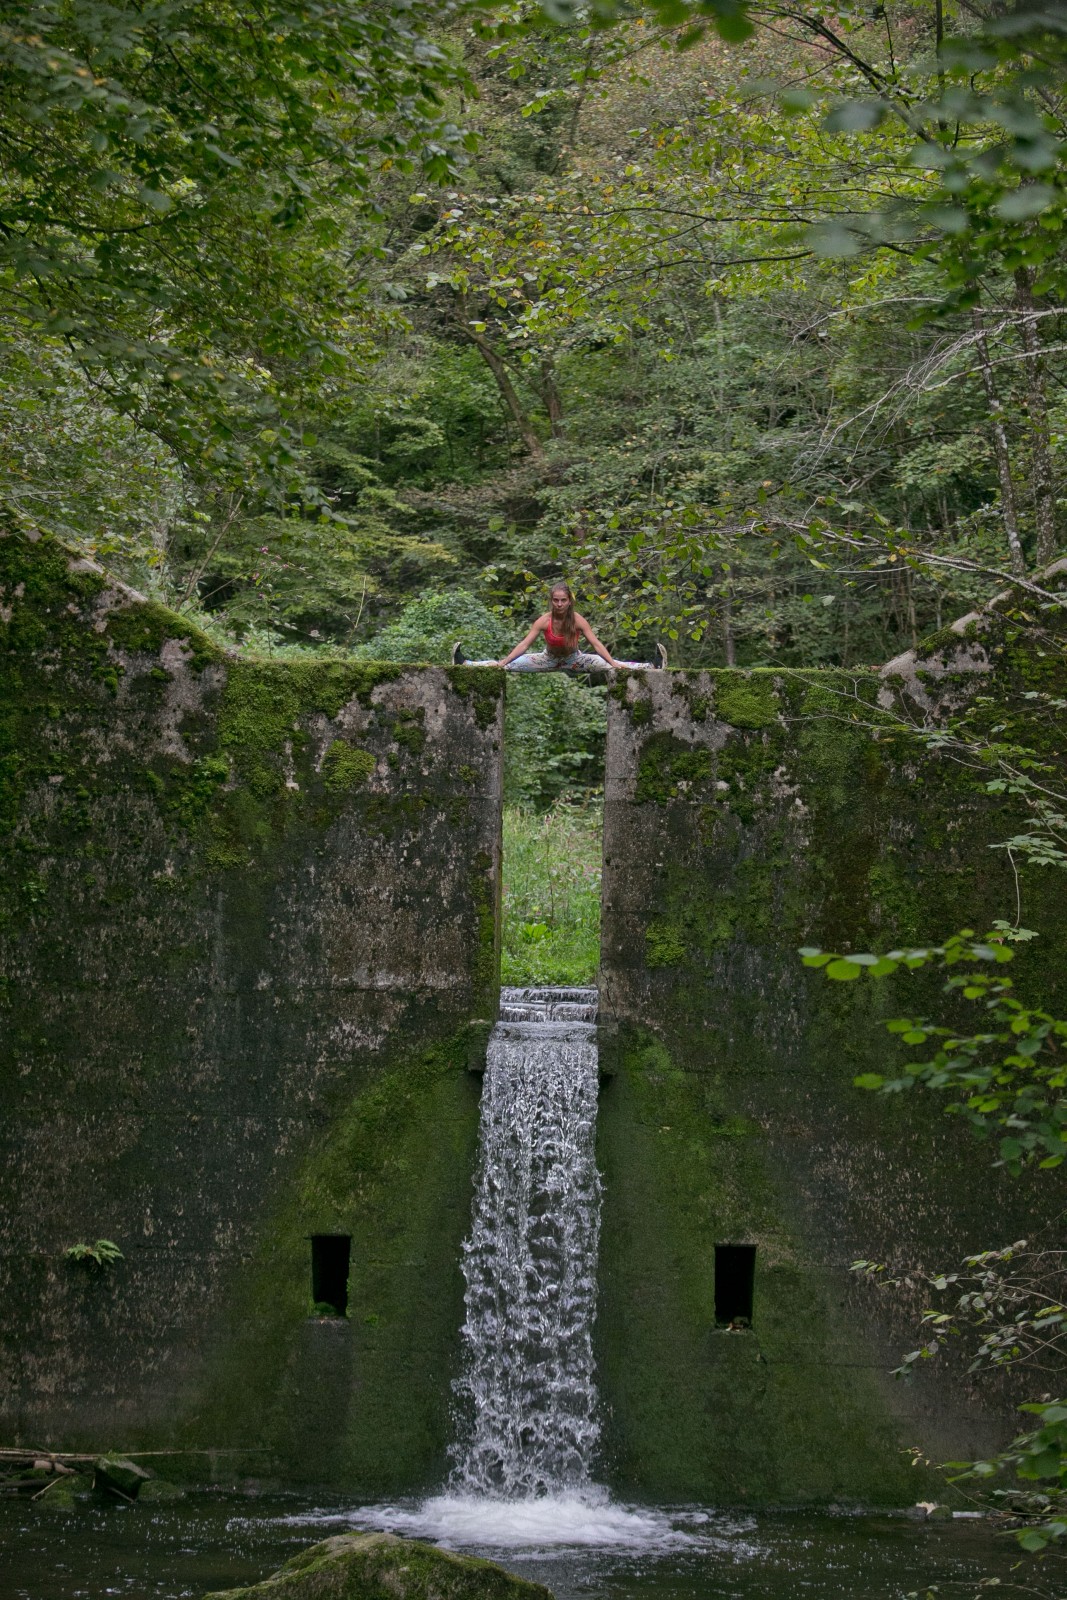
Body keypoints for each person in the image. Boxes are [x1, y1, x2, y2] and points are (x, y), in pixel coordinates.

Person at [452, 582, 667, 672]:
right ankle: (465, 664)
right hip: (548, 659)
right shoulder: (544, 621)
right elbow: (525, 644)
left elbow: (596, 643)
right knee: (505, 666)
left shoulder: (579, 620)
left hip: (575, 659)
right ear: (551, 601)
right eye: (556, 600)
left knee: (612, 666)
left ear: (569, 601)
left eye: (563, 600)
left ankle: (652, 667)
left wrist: (612, 662)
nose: (559, 604)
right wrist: (505, 661)